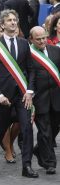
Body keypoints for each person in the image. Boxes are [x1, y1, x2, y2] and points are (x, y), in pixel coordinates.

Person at [0, 10, 37, 178]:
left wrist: (30, 91)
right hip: (3, 96)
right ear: (2, 25)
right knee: (0, 129)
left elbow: (31, 70)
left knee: (27, 128)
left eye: (15, 20)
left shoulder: (24, 44)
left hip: (22, 95)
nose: (13, 23)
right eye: (9, 20)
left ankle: (27, 166)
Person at [29, 26, 60, 174]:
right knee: (45, 130)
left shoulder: (56, 51)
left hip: (56, 97)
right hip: (39, 98)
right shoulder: (29, 54)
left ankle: (38, 149)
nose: (42, 41)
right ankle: (49, 163)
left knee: (55, 128)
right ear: (32, 39)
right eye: (38, 39)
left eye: (44, 38)